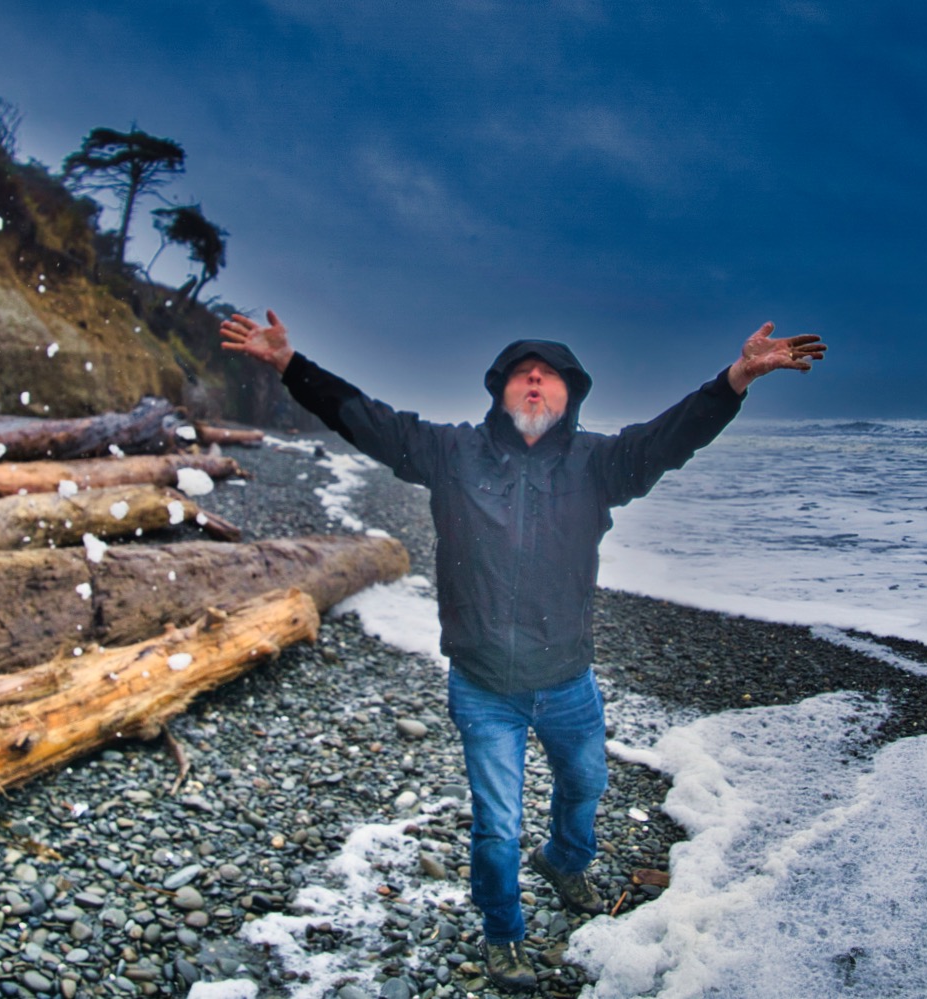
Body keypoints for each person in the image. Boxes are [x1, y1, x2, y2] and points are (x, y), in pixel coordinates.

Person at [220, 311, 825, 992]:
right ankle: (503, 931)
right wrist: (290, 365)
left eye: (551, 374)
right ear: (499, 392)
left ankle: (566, 861)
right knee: (497, 824)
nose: (535, 379)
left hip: (569, 680)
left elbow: (668, 438)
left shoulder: (599, 464)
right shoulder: (451, 453)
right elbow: (366, 417)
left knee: (587, 785)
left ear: (571, 396)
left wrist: (737, 378)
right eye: (521, 372)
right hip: (484, 687)